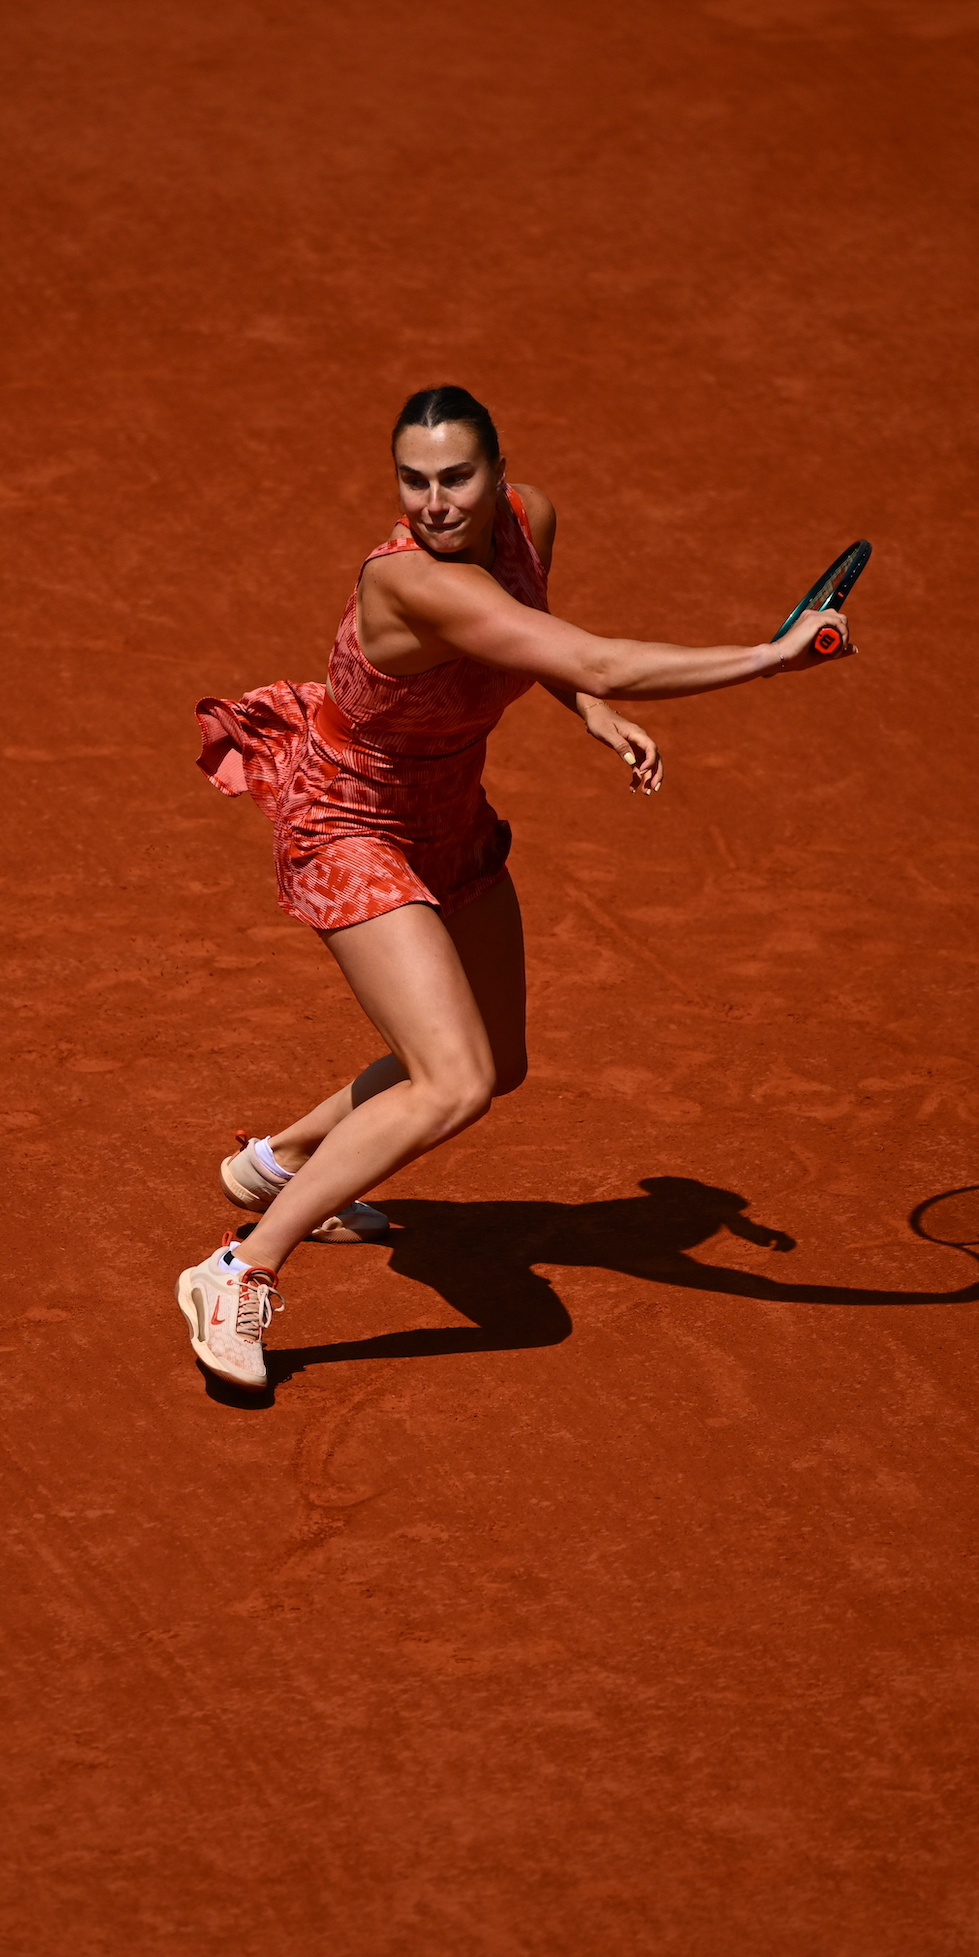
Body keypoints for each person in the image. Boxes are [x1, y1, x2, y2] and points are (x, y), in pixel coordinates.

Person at [178, 385, 852, 1389]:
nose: (436, 501)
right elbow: (592, 650)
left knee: (495, 1060)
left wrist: (588, 711)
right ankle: (239, 1267)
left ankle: (282, 1160)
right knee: (451, 1079)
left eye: (457, 477)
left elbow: (539, 646)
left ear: (498, 475)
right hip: (350, 818)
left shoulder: (528, 522)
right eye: (415, 480)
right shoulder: (413, 584)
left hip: (446, 810)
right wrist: (767, 655)